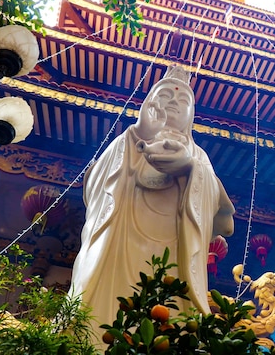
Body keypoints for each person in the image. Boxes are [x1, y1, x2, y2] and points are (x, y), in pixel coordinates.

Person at [69, 66, 235, 344]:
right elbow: (95, 184)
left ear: (191, 115)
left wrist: (190, 169)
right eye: (165, 95)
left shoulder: (199, 156)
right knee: (101, 311)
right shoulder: (129, 140)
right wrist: (137, 135)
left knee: (169, 313)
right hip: (120, 241)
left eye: (182, 101)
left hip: (175, 249)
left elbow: (224, 220)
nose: (172, 102)